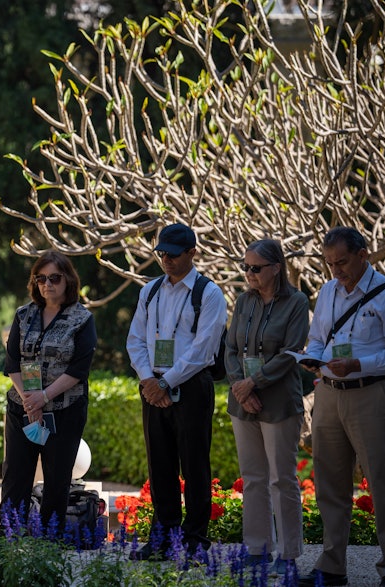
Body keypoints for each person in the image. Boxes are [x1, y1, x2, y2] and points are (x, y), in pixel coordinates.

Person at [298, 227, 385, 587]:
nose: (336, 271)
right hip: (328, 394)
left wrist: (359, 365)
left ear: (364, 254)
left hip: (370, 394)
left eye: (342, 262)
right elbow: (317, 338)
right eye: (330, 264)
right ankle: (332, 566)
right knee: (330, 485)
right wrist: (312, 358)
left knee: (383, 484)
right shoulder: (328, 290)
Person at [126, 223, 227, 557]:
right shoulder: (150, 290)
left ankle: (196, 539)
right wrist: (148, 380)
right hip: (152, 384)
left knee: (194, 464)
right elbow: (135, 339)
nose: (166, 259)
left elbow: (203, 350)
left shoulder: (208, 293)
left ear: (192, 253)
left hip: (191, 384)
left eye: (173, 253)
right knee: (160, 463)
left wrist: (165, 382)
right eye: (162, 253)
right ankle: (164, 537)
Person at [224, 239, 309, 576]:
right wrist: (241, 388)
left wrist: (253, 383)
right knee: (254, 478)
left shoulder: (297, 302)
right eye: (245, 267)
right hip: (243, 402)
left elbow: (291, 352)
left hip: (279, 402)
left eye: (255, 268)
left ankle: (288, 554)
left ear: (276, 267)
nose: (249, 273)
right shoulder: (243, 301)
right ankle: (257, 549)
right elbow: (230, 349)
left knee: (282, 480)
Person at [0, 250, 96, 535]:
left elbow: (79, 368)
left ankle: (49, 546)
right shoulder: (23, 314)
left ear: (68, 280)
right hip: (23, 410)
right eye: (40, 279)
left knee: (56, 480)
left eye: (54, 278)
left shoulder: (82, 319)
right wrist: (31, 400)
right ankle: (8, 541)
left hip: (64, 411)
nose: (47, 284)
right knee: (15, 478)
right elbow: (12, 361)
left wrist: (44, 396)